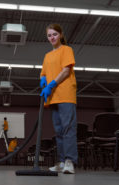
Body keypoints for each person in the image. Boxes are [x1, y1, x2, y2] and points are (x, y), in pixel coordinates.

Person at [40, 23, 77, 174]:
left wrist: (52, 83)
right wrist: (43, 81)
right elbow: (43, 73)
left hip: (65, 93)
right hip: (52, 97)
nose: (52, 37)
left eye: (54, 34)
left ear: (60, 35)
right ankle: (62, 162)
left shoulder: (66, 50)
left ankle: (70, 161)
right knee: (59, 131)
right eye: (49, 35)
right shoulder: (47, 56)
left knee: (68, 128)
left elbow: (66, 70)